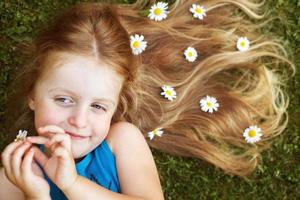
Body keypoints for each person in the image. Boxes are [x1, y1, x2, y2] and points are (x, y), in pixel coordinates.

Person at [0, 0, 295, 199]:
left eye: (98, 106)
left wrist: (71, 184)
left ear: (115, 107)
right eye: (64, 99)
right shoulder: (16, 174)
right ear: (32, 95)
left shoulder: (121, 141)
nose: (79, 121)